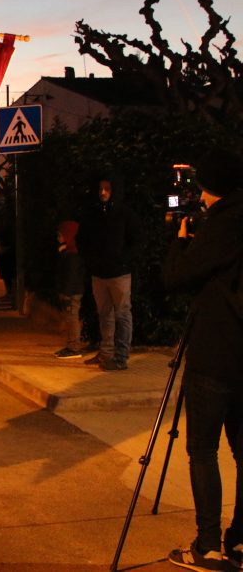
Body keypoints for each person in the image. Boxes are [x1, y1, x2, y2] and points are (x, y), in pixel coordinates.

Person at [163, 150, 243, 570]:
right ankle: (242, 540)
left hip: (215, 351)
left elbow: (176, 279)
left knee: (203, 449)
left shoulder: (220, 226)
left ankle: (208, 545)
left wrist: (179, 241)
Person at [78, 175, 141, 370]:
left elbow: (137, 240)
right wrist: (91, 260)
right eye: (100, 189)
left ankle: (121, 357)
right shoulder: (92, 214)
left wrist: (122, 260)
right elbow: (83, 239)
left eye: (107, 189)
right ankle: (106, 352)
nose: (103, 193)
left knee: (122, 314)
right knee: (104, 314)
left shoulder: (125, 214)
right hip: (99, 274)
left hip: (119, 274)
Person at [53, 220, 87, 359]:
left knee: (72, 318)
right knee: (70, 318)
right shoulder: (69, 251)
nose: (58, 237)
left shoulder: (73, 255)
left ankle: (74, 347)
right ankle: (71, 345)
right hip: (70, 291)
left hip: (71, 292)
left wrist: (66, 294)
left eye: (60, 234)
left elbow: (71, 276)